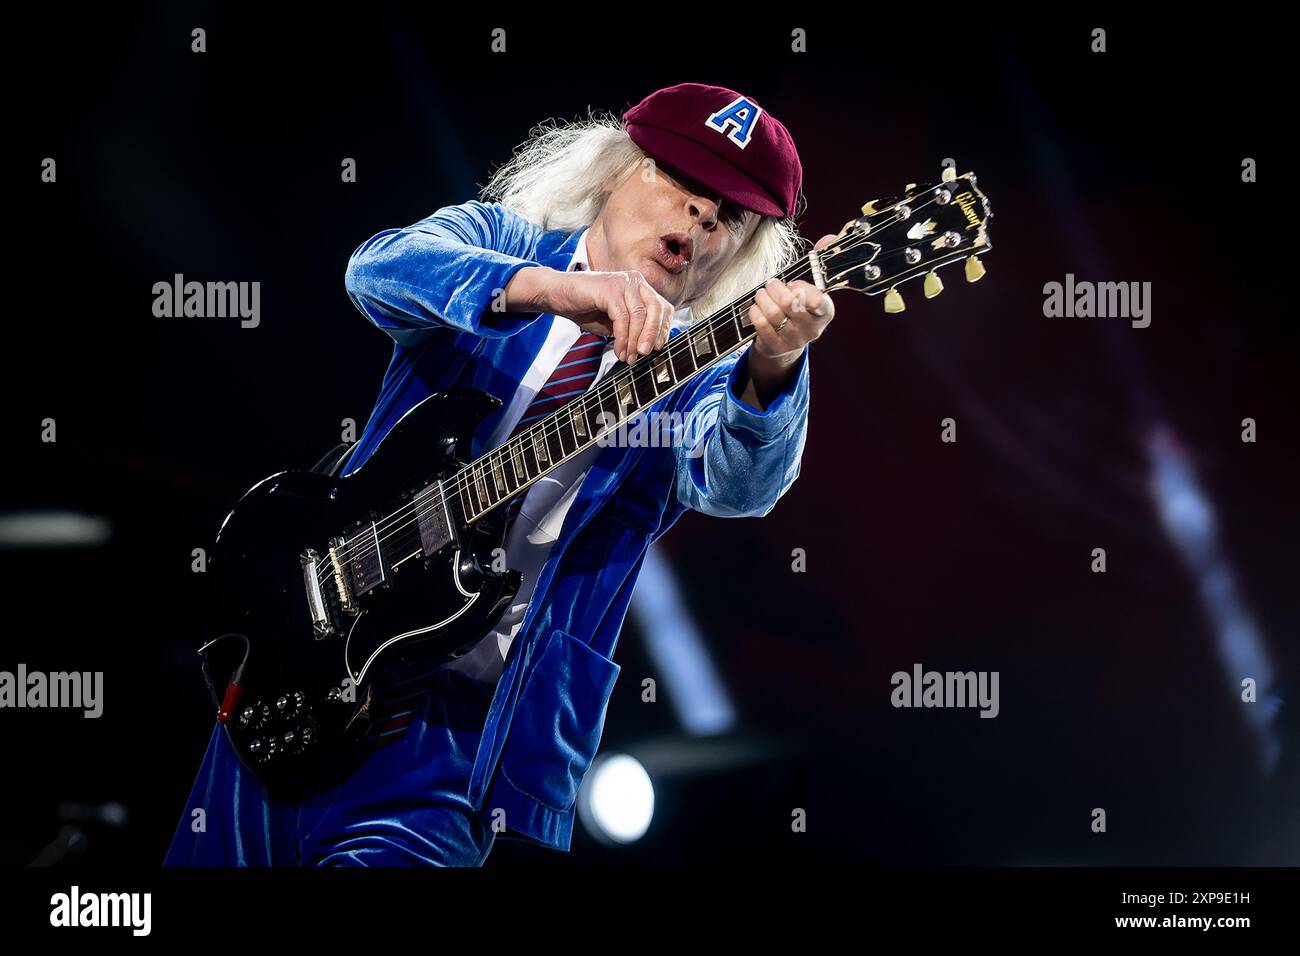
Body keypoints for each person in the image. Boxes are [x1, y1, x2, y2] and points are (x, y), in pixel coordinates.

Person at [164, 81, 837, 866]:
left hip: (459, 743)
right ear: (617, 168)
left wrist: (777, 363)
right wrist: (555, 291)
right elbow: (376, 270)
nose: (703, 216)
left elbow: (739, 484)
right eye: (682, 180)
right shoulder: (501, 244)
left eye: (733, 212)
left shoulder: (697, 377)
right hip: (299, 667)